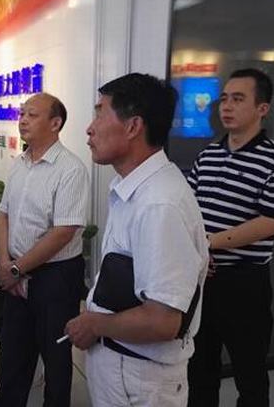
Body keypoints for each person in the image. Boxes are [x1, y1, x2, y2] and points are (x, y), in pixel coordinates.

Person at [65, 73, 208, 407]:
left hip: (139, 379)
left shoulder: (159, 203)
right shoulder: (135, 188)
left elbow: (163, 321)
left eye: (100, 114)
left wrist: (94, 324)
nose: (89, 128)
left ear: (133, 127)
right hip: (123, 367)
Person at [186, 68, 274, 407]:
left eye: (238, 99)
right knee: (199, 370)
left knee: (250, 375)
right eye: (224, 99)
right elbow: (187, 209)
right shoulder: (208, 155)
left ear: (262, 108)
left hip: (244, 284)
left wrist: (208, 244)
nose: (226, 106)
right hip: (202, 279)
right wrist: (195, 253)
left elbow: (270, 222)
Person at [0, 93, 90, 407]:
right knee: (13, 354)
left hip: (55, 276)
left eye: (32, 115)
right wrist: (6, 263)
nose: (22, 120)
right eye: (22, 114)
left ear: (55, 123)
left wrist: (17, 268)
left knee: (55, 358)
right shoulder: (20, 164)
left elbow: (63, 233)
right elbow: (2, 215)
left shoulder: (70, 169)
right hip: (15, 270)